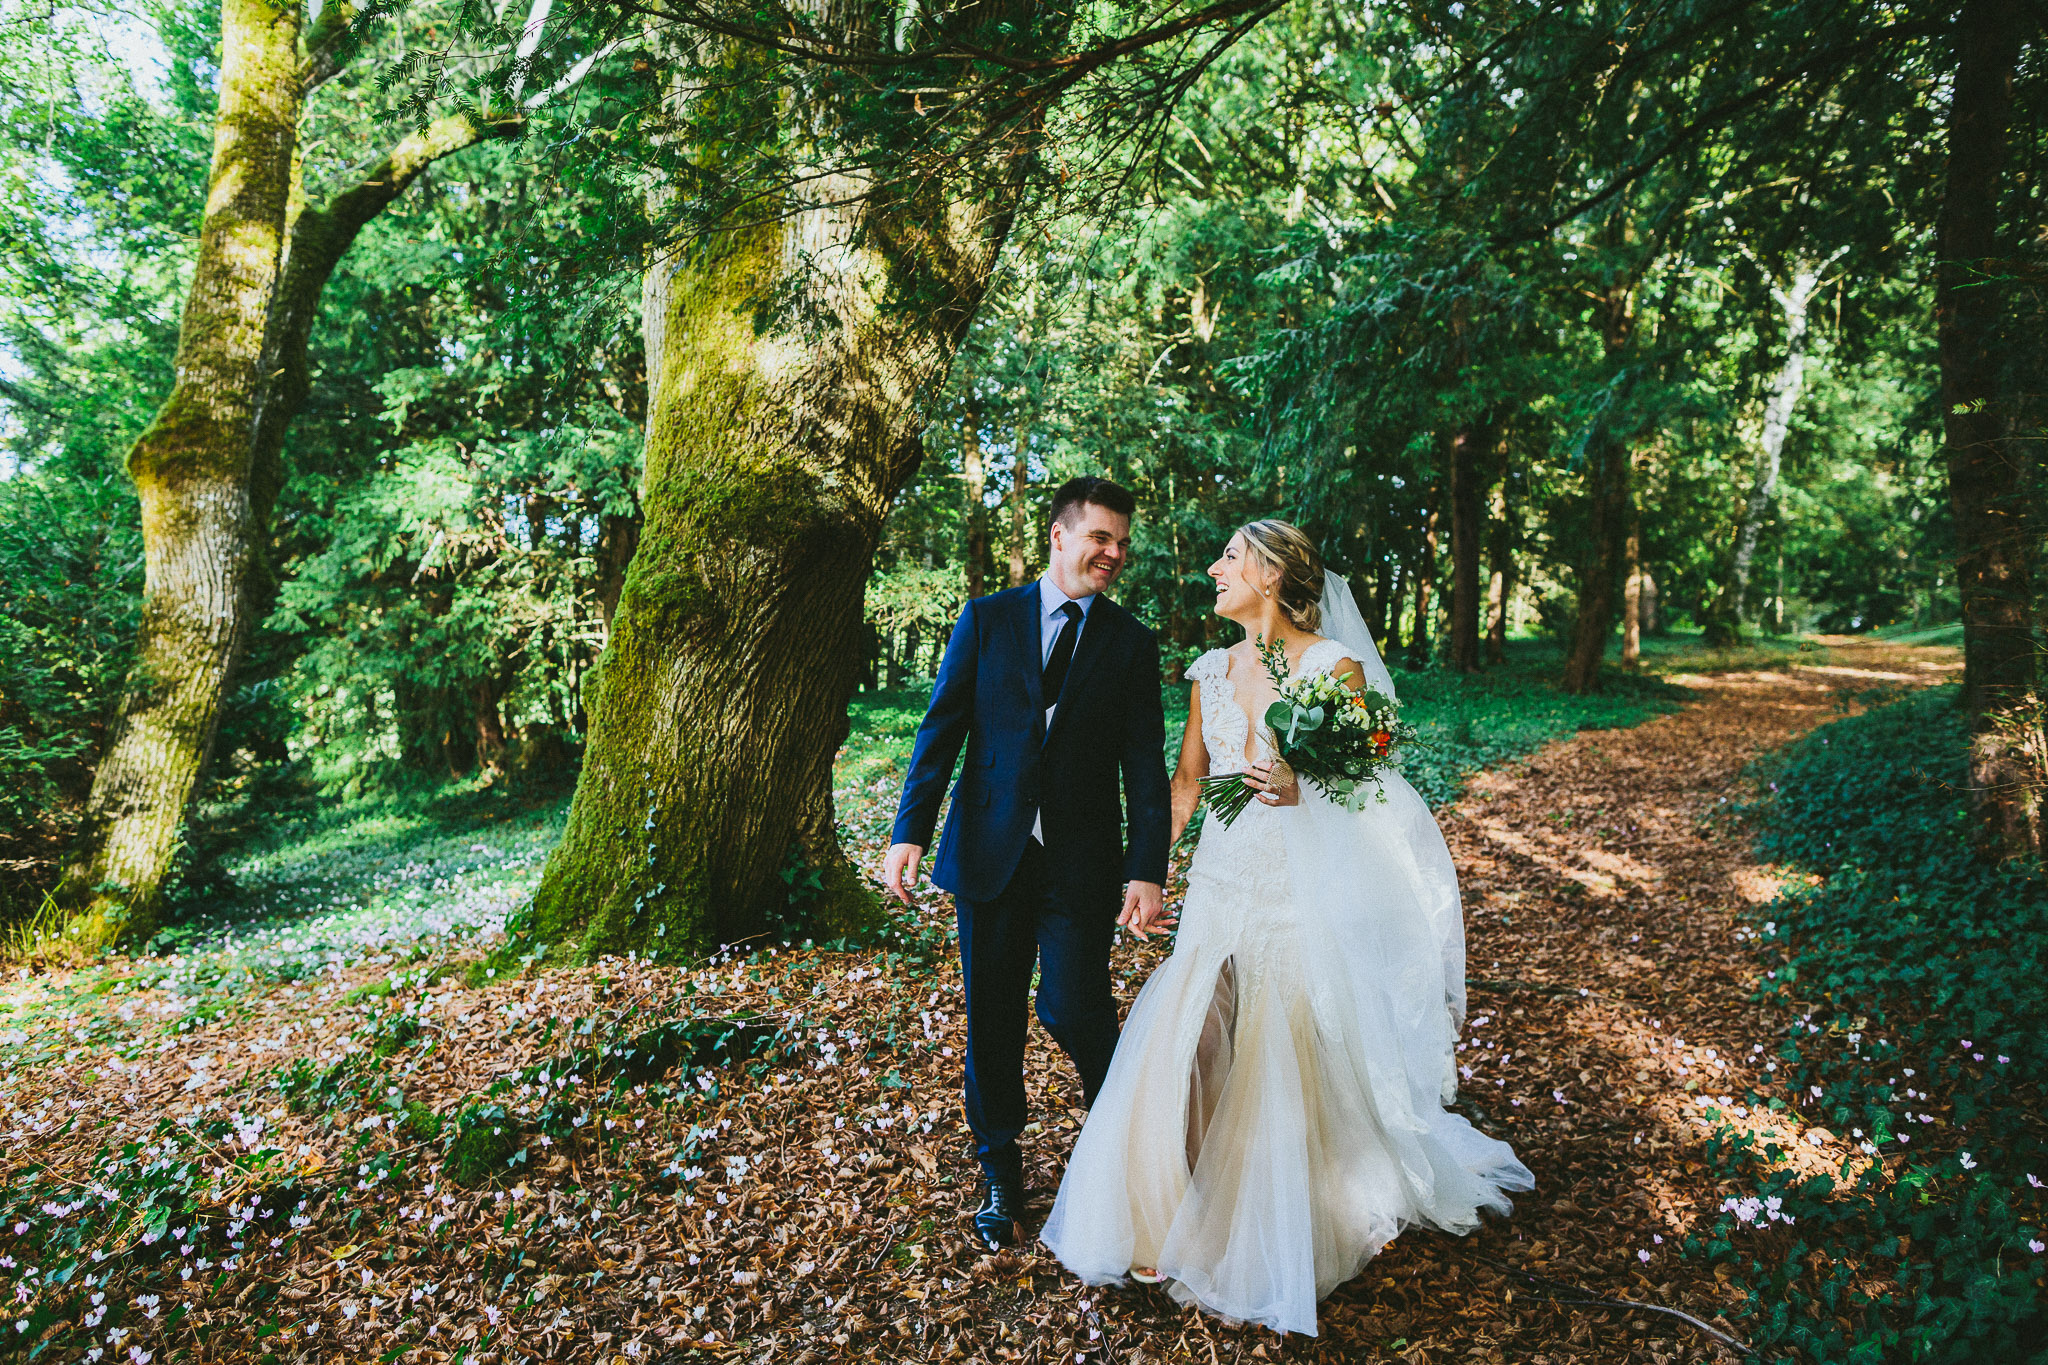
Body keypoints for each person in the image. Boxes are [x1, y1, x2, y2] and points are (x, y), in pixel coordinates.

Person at [1041, 519, 1534, 1336]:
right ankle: (1181, 1214)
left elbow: (1372, 790)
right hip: (1224, 883)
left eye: (1230, 557)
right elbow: (1188, 783)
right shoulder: (1208, 669)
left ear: (1269, 572)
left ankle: (1288, 1215)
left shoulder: (1332, 668)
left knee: (1290, 1051)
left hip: (1300, 888)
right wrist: (1149, 875)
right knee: (1198, 1036)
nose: (1214, 568)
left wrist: (1306, 787)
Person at [882, 476, 1173, 1252]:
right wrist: (908, 830)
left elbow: (1145, 764)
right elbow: (940, 729)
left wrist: (1148, 867)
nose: (1113, 553)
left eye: (1121, 543)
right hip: (989, 852)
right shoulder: (988, 619)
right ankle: (1000, 1171)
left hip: (1081, 862)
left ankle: (1117, 1142)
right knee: (993, 1020)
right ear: (1060, 534)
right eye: (1100, 538)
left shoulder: (1130, 643)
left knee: (1074, 1006)